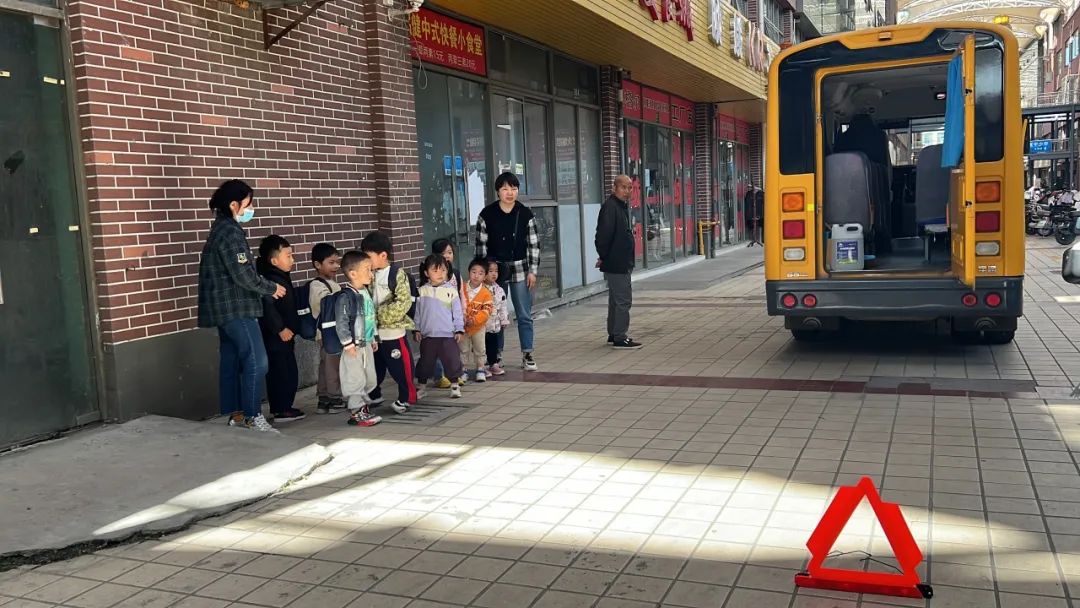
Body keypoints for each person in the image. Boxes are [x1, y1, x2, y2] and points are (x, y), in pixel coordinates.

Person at [197, 179, 284, 433]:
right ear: (234, 204)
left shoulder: (219, 230)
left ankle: (236, 415)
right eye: (248, 204)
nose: (251, 209)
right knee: (257, 361)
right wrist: (271, 287)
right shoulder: (230, 232)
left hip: (223, 310)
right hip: (237, 309)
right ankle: (252, 416)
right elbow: (244, 274)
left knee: (232, 361)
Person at [476, 172, 541, 371]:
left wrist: (533, 271)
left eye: (513, 188)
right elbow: (481, 247)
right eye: (505, 189)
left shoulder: (525, 213)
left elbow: (534, 245)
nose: (510, 193)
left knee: (523, 313)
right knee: (494, 313)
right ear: (498, 191)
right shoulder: (486, 214)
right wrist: (484, 273)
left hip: (521, 268)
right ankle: (496, 356)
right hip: (495, 271)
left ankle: (527, 353)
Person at [359, 231, 416, 414]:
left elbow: (403, 302)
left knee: (400, 367)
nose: (367, 262)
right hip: (373, 334)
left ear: (383, 255)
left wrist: (378, 314)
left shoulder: (397, 274)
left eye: (369, 257)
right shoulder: (368, 274)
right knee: (374, 367)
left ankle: (407, 397)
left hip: (393, 332)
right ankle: (373, 394)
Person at [256, 235, 305, 422]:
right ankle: (282, 409)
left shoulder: (279, 276)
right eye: (288, 256)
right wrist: (280, 328)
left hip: (284, 336)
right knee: (282, 372)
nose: (292, 260)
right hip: (276, 337)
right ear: (274, 260)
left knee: (286, 370)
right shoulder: (270, 280)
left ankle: (283, 407)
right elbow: (267, 306)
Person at [595, 175, 642, 350]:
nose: (627, 191)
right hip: (617, 262)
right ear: (614, 188)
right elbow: (602, 236)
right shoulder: (611, 207)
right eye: (623, 187)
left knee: (615, 300)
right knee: (623, 301)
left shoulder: (620, 207)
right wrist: (605, 256)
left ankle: (613, 333)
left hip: (619, 261)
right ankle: (620, 337)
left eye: (630, 188)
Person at [336, 251, 382, 427]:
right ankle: (357, 411)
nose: (371, 274)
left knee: (369, 377)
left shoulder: (365, 292)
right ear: (353, 273)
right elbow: (342, 322)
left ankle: (363, 407)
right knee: (355, 378)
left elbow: (370, 317)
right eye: (367, 270)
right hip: (353, 346)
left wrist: (373, 338)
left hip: (366, 343)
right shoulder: (346, 296)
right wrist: (347, 344)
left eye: (371, 270)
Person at [412, 254, 465, 399]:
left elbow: (458, 313)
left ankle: (454, 385)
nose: (440, 274)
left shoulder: (451, 291)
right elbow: (417, 313)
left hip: (448, 335)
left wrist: (459, 329)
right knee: (425, 362)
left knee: (451, 360)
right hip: (428, 335)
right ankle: (421, 387)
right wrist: (416, 329)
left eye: (443, 270)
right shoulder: (422, 291)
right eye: (435, 270)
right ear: (426, 273)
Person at [309, 243, 344, 415]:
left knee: (326, 366)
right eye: (331, 262)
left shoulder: (330, 283)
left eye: (337, 262)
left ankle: (324, 399)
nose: (336, 266)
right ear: (317, 264)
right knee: (332, 366)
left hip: (330, 333)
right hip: (328, 334)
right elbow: (324, 306)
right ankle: (334, 397)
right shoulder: (317, 286)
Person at [429, 238, 462, 388]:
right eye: (443, 253)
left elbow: (461, 295)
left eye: (449, 252)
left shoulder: (455, 273)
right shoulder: (431, 275)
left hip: (451, 317)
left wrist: (462, 313)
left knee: (451, 348)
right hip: (436, 319)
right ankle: (439, 376)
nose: (447, 256)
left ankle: (453, 375)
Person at [460, 257, 493, 382]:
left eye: (480, 273)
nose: (476, 276)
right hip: (463, 326)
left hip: (478, 327)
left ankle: (480, 368)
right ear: (469, 272)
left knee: (480, 348)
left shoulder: (486, 293)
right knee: (463, 348)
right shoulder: (462, 288)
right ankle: (463, 369)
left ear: (485, 276)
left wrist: (474, 320)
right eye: (473, 272)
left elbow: (487, 311)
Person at [483, 259, 510, 376]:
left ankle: (493, 364)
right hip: (482, 324)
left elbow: (503, 306)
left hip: (494, 324)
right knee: (481, 346)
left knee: (493, 344)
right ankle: (482, 366)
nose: (494, 274)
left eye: (496, 271)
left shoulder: (499, 290)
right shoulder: (479, 289)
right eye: (490, 271)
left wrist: (504, 319)